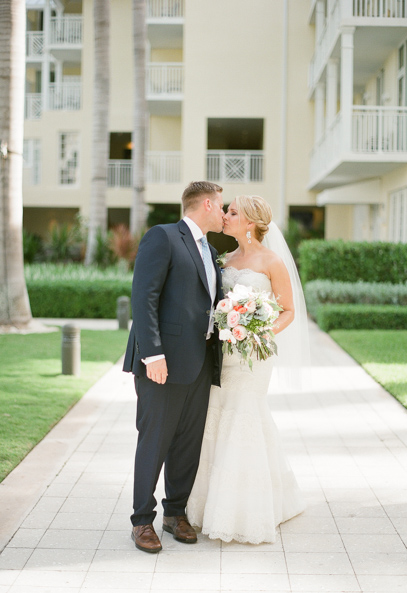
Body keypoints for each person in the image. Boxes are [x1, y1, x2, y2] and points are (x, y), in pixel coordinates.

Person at [186, 194, 307, 543]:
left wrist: (257, 330)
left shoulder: (272, 262)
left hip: (253, 355)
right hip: (224, 354)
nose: (225, 215)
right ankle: (209, 503)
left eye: (233, 212)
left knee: (245, 417)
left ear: (251, 222)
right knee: (218, 418)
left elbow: (288, 311)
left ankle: (246, 509)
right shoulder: (223, 259)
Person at [123, 181, 225, 553]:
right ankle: (141, 521)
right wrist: (153, 354)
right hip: (161, 363)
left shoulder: (211, 251)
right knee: (154, 440)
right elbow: (143, 295)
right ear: (208, 205)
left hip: (200, 363)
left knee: (187, 443)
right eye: (222, 205)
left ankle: (175, 513)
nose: (224, 212)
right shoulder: (163, 237)